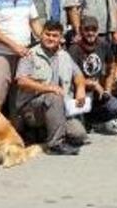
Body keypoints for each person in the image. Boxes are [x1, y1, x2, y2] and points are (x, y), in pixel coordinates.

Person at [14, 22, 87, 155]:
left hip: (58, 108)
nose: (50, 38)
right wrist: (48, 88)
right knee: (54, 96)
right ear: (41, 35)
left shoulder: (64, 55)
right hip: (32, 109)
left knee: (79, 135)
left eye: (55, 36)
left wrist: (80, 89)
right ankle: (55, 144)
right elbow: (21, 81)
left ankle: (43, 133)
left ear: (61, 38)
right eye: (47, 34)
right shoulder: (30, 54)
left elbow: (79, 75)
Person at [67, 16, 117, 135]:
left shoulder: (104, 45)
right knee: (80, 133)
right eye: (87, 29)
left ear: (98, 31)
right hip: (80, 92)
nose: (90, 33)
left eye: (93, 29)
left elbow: (111, 67)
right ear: (81, 30)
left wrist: (107, 90)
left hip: (98, 92)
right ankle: (84, 121)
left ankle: (95, 122)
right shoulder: (74, 49)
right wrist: (93, 84)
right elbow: (70, 77)